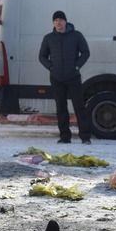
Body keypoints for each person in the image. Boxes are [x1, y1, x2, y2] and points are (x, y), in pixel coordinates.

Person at [39, 10, 92, 144]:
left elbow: (85, 52)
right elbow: (42, 56)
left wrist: (77, 66)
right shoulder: (49, 38)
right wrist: (50, 67)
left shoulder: (76, 36)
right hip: (56, 78)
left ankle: (85, 137)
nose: (58, 23)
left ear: (65, 21)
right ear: (53, 23)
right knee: (61, 108)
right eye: (56, 20)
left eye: (61, 20)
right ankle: (65, 137)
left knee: (79, 107)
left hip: (73, 77)